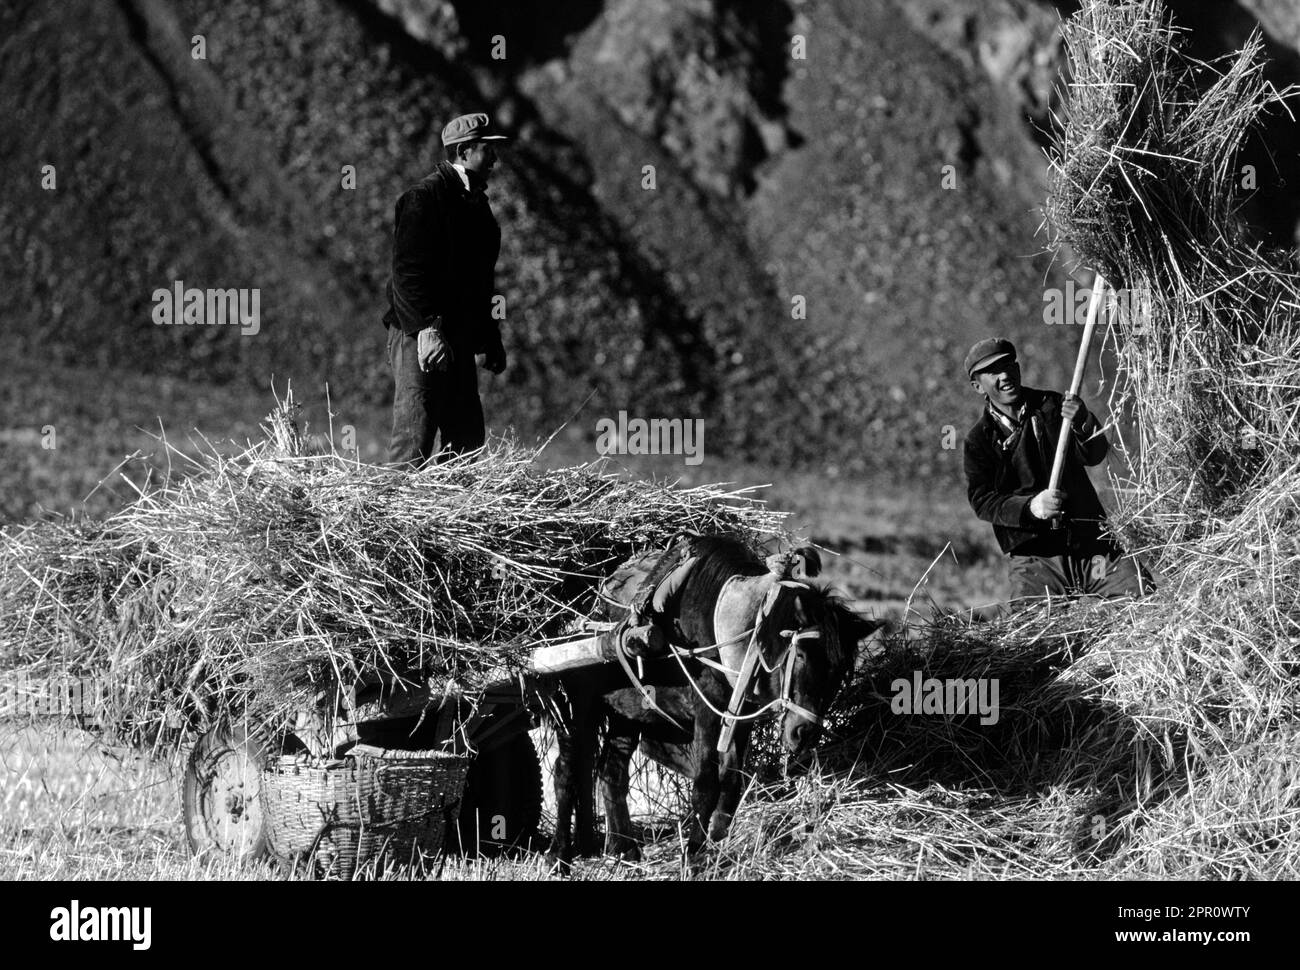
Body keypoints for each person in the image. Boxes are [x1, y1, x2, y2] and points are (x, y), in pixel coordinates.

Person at [961, 337, 1149, 603]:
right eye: (993, 372)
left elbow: (1094, 455)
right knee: (1035, 634)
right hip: (1038, 559)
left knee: (1142, 601)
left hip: (1092, 546)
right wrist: (1031, 507)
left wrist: (1083, 421)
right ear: (977, 386)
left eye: (1008, 366)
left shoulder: (1053, 406)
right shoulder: (979, 440)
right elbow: (983, 501)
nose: (1004, 376)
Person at [383, 112, 509, 466]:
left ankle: (445, 520)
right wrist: (425, 330)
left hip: (457, 337)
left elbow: (479, 283)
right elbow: (407, 273)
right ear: (465, 151)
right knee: (414, 439)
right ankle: (391, 518)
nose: (496, 158)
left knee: (466, 442)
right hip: (418, 334)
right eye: (489, 149)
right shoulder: (424, 197)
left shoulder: (477, 208)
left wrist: (488, 337)